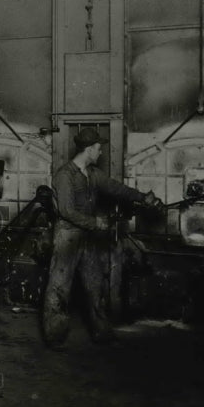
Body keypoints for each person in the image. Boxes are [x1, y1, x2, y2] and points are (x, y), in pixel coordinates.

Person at [41, 128, 159, 349]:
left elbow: (116, 188)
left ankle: (102, 332)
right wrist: (95, 222)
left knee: (95, 285)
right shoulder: (64, 175)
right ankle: (54, 336)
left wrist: (143, 198)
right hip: (67, 236)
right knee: (59, 287)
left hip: (88, 237)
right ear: (88, 149)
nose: (101, 152)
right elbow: (66, 210)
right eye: (98, 148)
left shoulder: (93, 174)